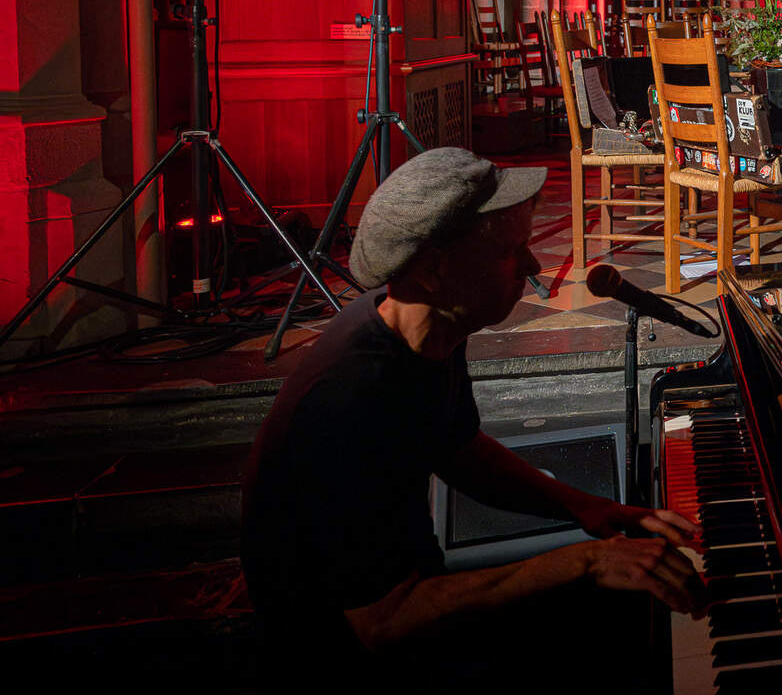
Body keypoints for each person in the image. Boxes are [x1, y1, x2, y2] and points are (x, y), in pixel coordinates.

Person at [241, 148, 705, 683]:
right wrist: (584, 561)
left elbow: (459, 450)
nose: (533, 267)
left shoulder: (430, 330)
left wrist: (587, 508)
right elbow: (383, 621)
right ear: (435, 270)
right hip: (341, 657)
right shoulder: (348, 399)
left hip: (411, 594)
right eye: (513, 252)